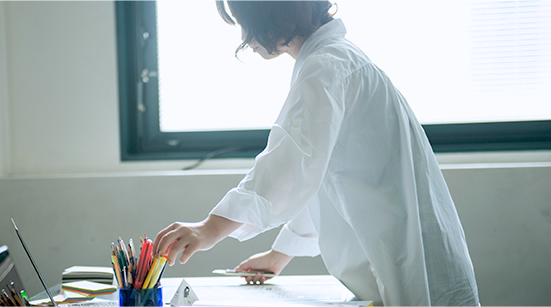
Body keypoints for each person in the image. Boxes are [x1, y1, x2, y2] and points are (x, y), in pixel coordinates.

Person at [153, 1, 480, 305]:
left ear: (271, 12)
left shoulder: (326, 66)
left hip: (414, 267)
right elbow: (325, 179)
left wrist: (209, 229)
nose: (245, 39)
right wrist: (278, 255)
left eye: (244, 24)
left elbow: (290, 166)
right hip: (412, 256)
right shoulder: (334, 59)